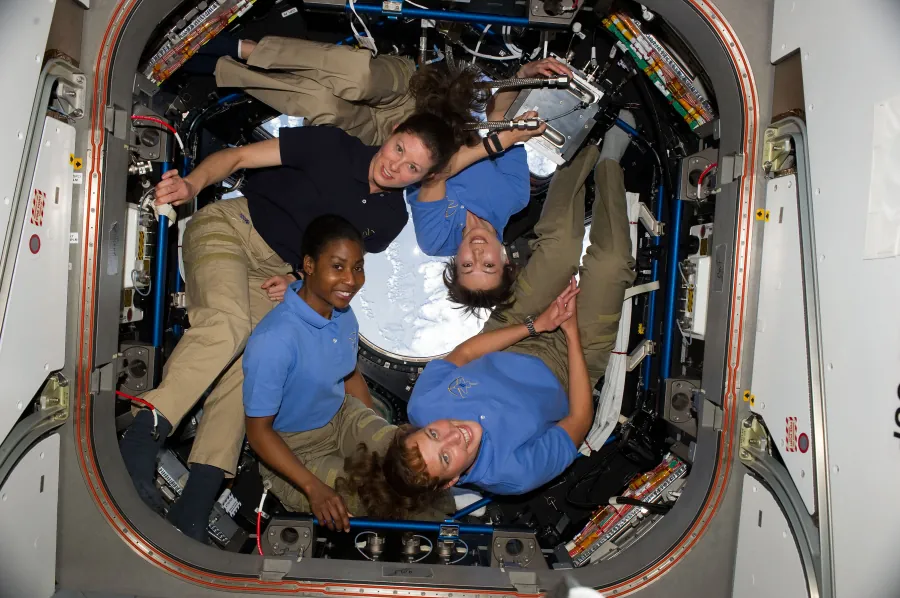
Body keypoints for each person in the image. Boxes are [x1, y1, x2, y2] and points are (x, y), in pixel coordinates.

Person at [118, 112, 458, 542]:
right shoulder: (332, 147)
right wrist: (193, 185)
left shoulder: (390, 220)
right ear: (391, 135)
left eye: (413, 168)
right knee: (229, 326)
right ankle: (142, 434)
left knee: (249, 366)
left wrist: (300, 280)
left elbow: (335, 254)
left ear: (422, 178)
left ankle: (196, 500)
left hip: (274, 278)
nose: (396, 166)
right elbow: (239, 156)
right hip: (235, 230)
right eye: (399, 149)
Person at [375, 112, 638, 496]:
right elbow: (580, 420)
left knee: (560, 246)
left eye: (434, 434)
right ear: (452, 481)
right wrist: (567, 333)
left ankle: (583, 150)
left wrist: (536, 325)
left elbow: (465, 353)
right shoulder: (513, 475)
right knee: (612, 264)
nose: (452, 436)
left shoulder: (423, 405)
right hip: (570, 363)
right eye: (446, 457)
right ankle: (611, 164)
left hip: (514, 326)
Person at [242, 215, 454, 530]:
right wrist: (313, 487)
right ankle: (445, 521)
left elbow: (348, 373)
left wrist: (371, 437)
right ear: (309, 265)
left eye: (357, 268)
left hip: (343, 416)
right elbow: (258, 433)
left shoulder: (343, 315)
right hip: (295, 449)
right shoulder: (274, 341)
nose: (351, 280)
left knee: (406, 459)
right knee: (376, 500)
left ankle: (450, 503)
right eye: (338, 267)